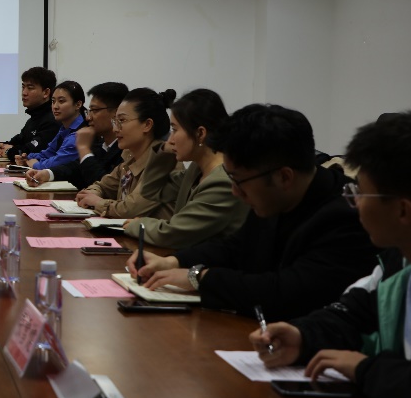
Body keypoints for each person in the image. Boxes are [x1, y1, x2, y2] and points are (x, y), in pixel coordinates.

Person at [251, 111, 411, 398]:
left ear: (403, 211)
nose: (354, 205)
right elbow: (351, 313)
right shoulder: (401, 259)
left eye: (360, 193)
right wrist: (303, 336)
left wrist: (365, 369)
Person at [131, 104, 378, 321]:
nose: (235, 192)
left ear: (284, 177)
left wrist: (199, 277)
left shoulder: (347, 215)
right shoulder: (276, 197)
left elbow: (286, 292)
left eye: (239, 181)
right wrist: (173, 261)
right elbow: (236, 247)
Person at [122, 88, 247, 248]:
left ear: (200, 133)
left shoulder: (222, 181)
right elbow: (152, 190)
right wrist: (164, 151)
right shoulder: (197, 169)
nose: (170, 139)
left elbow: (172, 234)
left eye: (175, 130)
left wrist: (138, 225)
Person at [74, 87, 179, 220]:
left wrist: (98, 202)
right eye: (115, 121)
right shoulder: (130, 157)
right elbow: (103, 186)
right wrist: (90, 194)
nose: (115, 129)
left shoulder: (165, 162)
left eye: (122, 121)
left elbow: (130, 209)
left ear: (147, 124)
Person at [26, 81, 127, 189]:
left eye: (95, 110)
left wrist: (83, 149)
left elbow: (105, 186)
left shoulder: (126, 150)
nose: (88, 117)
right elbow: (74, 167)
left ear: (117, 113)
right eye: (89, 111)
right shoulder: (101, 145)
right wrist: (47, 174)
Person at [0, 66, 58, 163]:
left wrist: (8, 151)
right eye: (23, 87)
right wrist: (3, 146)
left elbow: (30, 150)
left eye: (30, 88)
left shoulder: (53, 119)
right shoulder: (33, 118)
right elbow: (17, 141)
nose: (24, 93)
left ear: (46, 92)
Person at [21, 80, 85, 172]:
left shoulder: (81, 133)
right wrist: (27, 158)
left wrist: (34, 164)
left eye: (61, 101)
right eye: (53, 101)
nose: (55, 106)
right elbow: (49, 153)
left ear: (78, 104)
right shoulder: (64, 128)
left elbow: (57, 162)